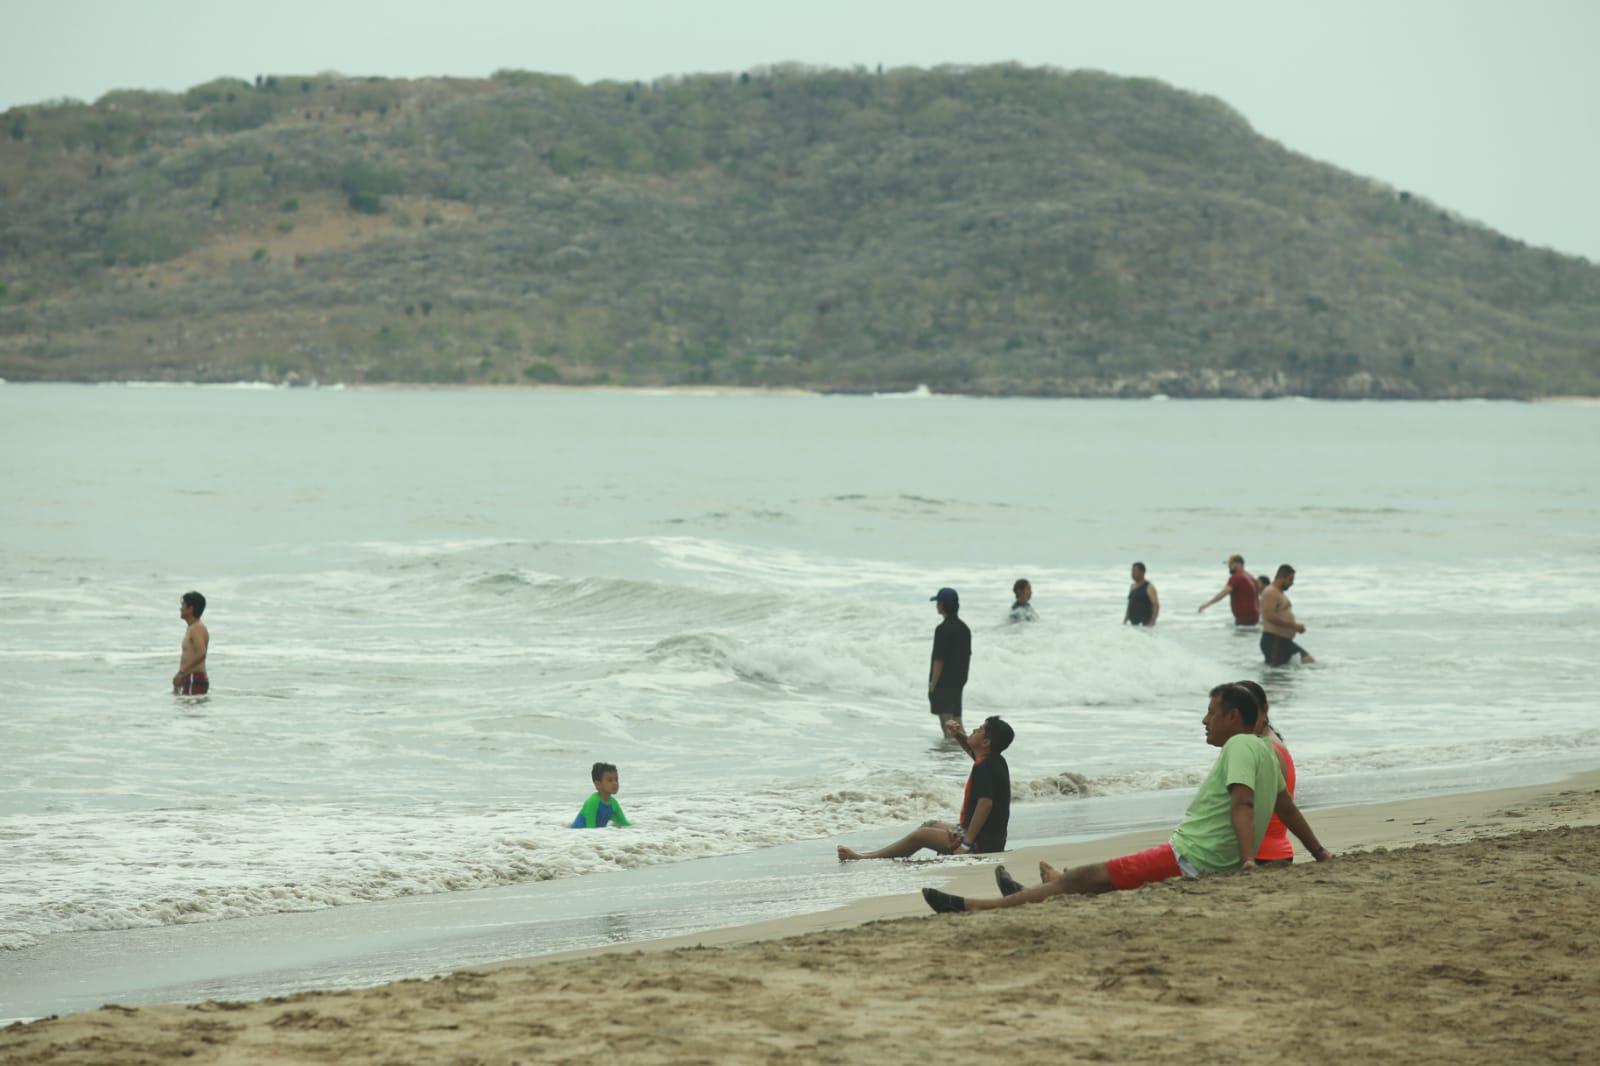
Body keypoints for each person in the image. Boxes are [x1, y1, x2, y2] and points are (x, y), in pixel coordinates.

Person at [920, 684, 1330, 914]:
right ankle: (1042, 891)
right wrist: (1319, 852)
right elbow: (1286, 806)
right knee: (1098, 881)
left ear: (1234, 717)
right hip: (1196, 856)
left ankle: (978, 906)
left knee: (1087, 877)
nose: (1205, 720)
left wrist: (1247, 862)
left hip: (1192, 857)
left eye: (1211, 712)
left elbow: (1243, 805)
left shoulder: (1239, 746)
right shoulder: (1265, 749)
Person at [839, 716, 1013, 860]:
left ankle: (867, 858)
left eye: (980, 730)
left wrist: (966, 844)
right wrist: (958, 734)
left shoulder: (983, 767)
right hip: (989, 840)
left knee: (920, 835)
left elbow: (985, 804)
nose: (974, 730)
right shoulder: (994, 760)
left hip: (980, 844)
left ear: (986, 742)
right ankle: (874, 854)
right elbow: (972, 751)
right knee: (929, 824)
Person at [1235, 679, 1296, 864]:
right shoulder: (1275, 742)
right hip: (1278, 851)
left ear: (1264, 710)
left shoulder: (1261, 751)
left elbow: (1244, 808)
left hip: (1258, 856)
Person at [927, 587, 972, 733]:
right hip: (958, 681)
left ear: (942, 605)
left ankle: (953, 748)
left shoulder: (942, 629)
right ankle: (964, 747)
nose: (937, 606)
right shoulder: (964, 628)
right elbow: (967, 656)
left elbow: (939, 660)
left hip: (944, 682)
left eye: (938, 603)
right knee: (957, 721)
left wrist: (933, 684)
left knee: (948, 725)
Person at [1261, 565, 1315, 665]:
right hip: (1274, 640)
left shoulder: (1279, 593)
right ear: (1282, 577)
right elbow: (1269, 616)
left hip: (1285, 641)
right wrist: (1294, 626)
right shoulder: (1270, 592)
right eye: (1290, 579)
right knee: (1274, 672)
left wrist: (1295, 627)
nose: (1292, 583)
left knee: (1308, 661)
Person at [1198, 554, 1260, 626]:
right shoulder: (1250, 577)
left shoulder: (1236, 577)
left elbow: (1223, 593)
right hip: (1254, 616)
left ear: (1239, 564)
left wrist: (1207, 604)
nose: (1228, 567)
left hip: (1244, 618)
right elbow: (1257, 598)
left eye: (1230, 564)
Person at [572, 762, 631, 828]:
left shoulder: (614, 804)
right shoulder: (593, 801)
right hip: (577, 833)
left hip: (598, 833)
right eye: (610, 780)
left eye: (616, 780)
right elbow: (590, 827)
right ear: (598, 784)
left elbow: (625, 824)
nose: (615, 783)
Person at [173, 590, 209, 695]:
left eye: (183, 605)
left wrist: (182, 672)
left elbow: (201, 653)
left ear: (190, 608)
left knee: (190, 705)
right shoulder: (193, 627)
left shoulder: (196, 628)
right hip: (191, 678)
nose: (180, 608)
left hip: (194, 677)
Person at [1122, 562, 1158, 626]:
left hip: (1144, 624)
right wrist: (1125, 620)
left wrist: (1152, 622)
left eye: (1135, 571)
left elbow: (1156, 605)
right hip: (1133, 624)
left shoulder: (1149, 587)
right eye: (1132, 571)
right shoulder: (1132, 586)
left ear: (1142, 572)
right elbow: (1130, 605)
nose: (1132, 573)